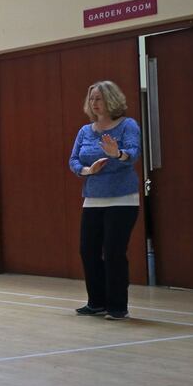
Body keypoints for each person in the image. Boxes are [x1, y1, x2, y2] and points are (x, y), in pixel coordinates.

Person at [69, 81, 142, 321]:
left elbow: (133, 154)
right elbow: (73, 161)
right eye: (91, 99)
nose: (94, 103)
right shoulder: (85, 131)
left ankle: (118, 306)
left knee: (113, 251)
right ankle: (96, 302)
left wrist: (117, 154)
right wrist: (87, 171)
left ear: (111, 99)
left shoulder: (127, 125)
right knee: (88, 250)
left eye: (99, 98)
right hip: (93, 198)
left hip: (122, 198)